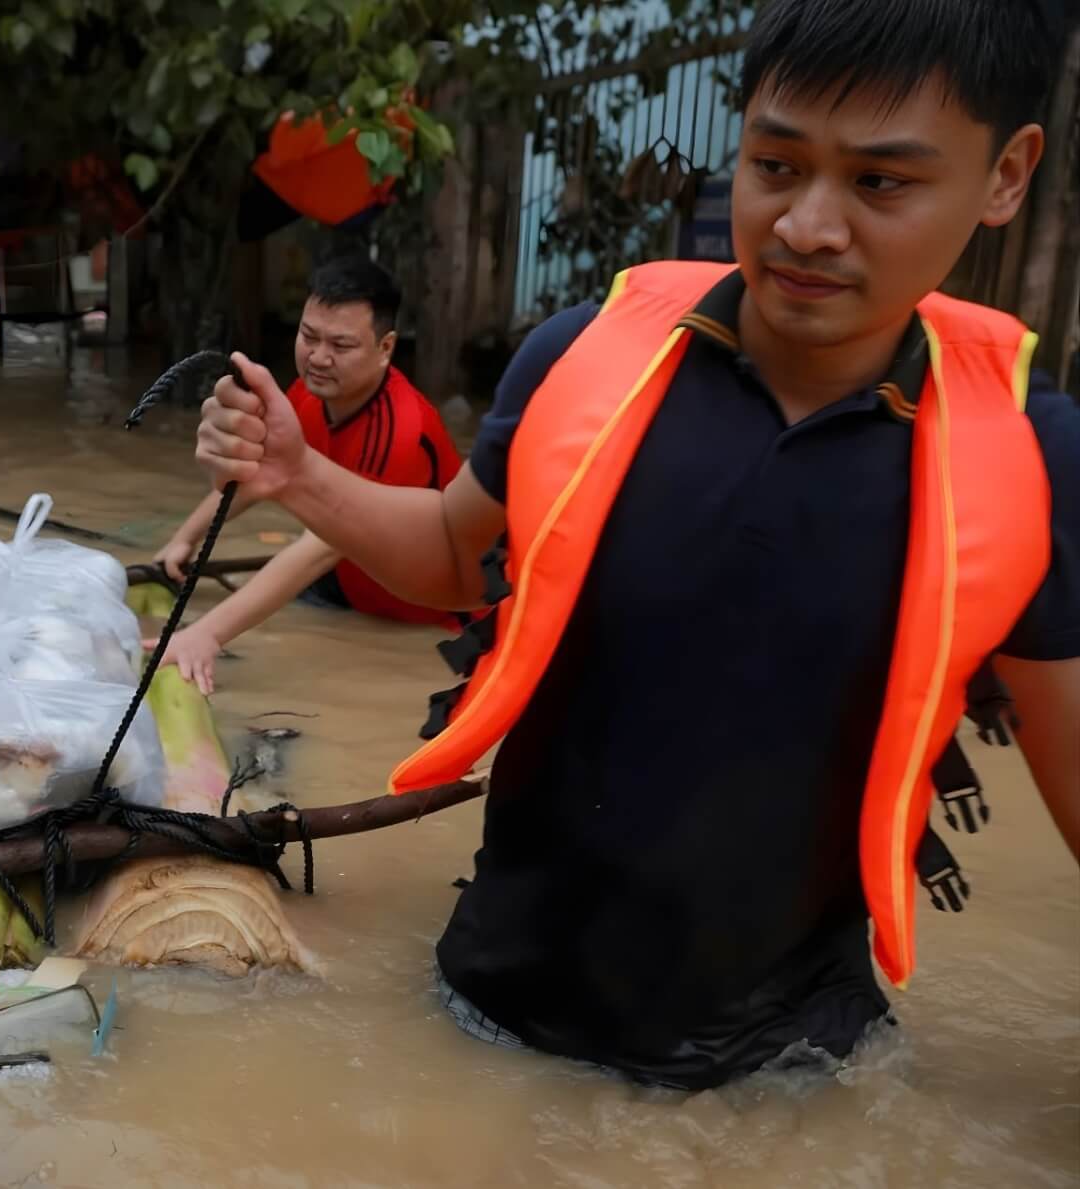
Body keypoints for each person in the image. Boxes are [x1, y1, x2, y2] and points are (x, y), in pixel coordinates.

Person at [194, 0, 1079, 1090]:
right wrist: (299, 475)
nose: (808, 224)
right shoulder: (588, 357)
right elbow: (453, 559)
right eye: (774, 162)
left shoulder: (1028, 458)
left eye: (881, 182)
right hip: (490, 1013)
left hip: (782, 1068)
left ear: (1006, 174)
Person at [152, 255, 464, 693]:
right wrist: (186, 538)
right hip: (349, 585)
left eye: (340, 346)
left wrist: (207, 633)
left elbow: (324, 545)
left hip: (420, 613)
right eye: (308, 336)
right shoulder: (308, 393)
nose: (318, 358)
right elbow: (257, 476)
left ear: (386, 348)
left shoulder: (403, 431)